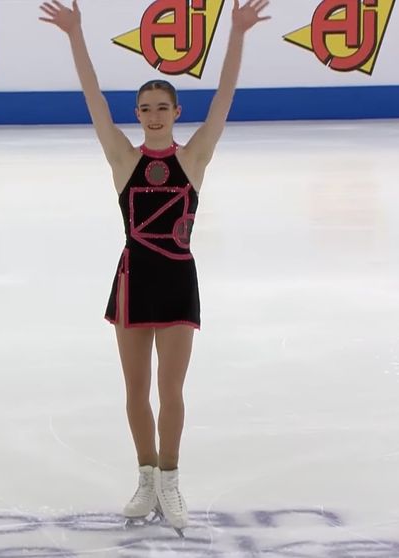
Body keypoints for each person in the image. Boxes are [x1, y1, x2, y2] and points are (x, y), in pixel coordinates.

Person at [39, 0, 269, 535]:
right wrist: (75, 36)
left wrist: (236, 35)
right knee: (134, 390)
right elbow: (93, 98)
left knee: (171, 392)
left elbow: (224, 100)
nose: (154, 114)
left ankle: (170, 478)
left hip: (177, 283)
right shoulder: (123, 158)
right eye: (146, 108)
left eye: (163, 106)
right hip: (132, 283)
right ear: (139, 114)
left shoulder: (194, 159)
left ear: (175, 112)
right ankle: (145, 477)